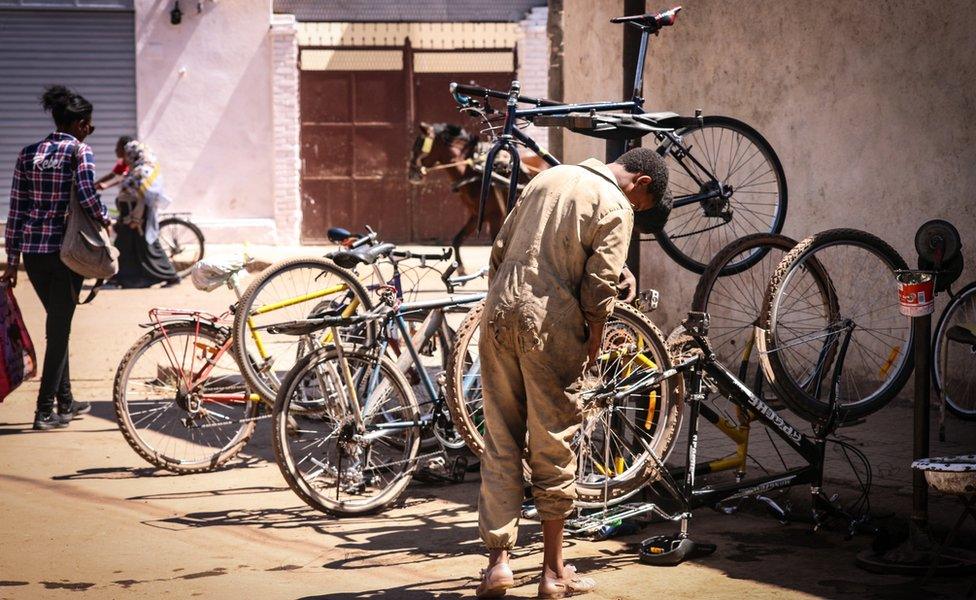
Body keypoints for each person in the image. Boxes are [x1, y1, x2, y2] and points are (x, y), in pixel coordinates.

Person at [475, 147, 672, 598]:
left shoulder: (547, 178)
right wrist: (597, 334)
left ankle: (498, 566)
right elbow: (600, 282)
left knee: (501, 439)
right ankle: (553, 573)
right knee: (554, 444)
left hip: (498, 315)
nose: (637, 212)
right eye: (643, 206)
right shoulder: (616, 204)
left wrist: (504, 303)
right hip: (552, 325)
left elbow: (500, 249)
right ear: (640, 184)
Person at [1, 85, 110, 430]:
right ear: (79, 124)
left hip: (34, 253)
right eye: (89, 125)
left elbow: (16, 209)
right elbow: (88, 196)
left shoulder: (28, 153)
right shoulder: (79, 152)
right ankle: (44, 410)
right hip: (65, 253)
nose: (89, 131)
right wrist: (106, 217)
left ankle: (67, 399)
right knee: (59, 330)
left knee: (57, 321)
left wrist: (13, 259)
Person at [107, 139, 179, 288]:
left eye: (127, 154)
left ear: (133, 154)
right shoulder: (136, 169)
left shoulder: (142, 171)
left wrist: (136, 218)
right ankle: (122, 278)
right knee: (128, 246)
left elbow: (143, 198)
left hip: (137, 217)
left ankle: (171, 276)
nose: (125, 157)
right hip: (131, 216)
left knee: (148, 246)